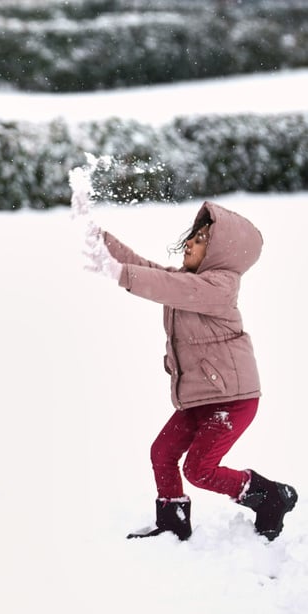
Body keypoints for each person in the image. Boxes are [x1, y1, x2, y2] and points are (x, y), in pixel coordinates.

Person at [84, 200, 297, 542]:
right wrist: (99, 239)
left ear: (221, 253)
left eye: (201, 240)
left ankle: (272, 496)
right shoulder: (188, 281)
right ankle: (172, 522)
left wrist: (117, 273)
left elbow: (165, 287)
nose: (190, 243)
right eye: (193, 236)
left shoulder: (218, 286)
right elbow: (146, 269)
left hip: (233, 400)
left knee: (199, 469)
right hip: (202, 397)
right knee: (162, 453)